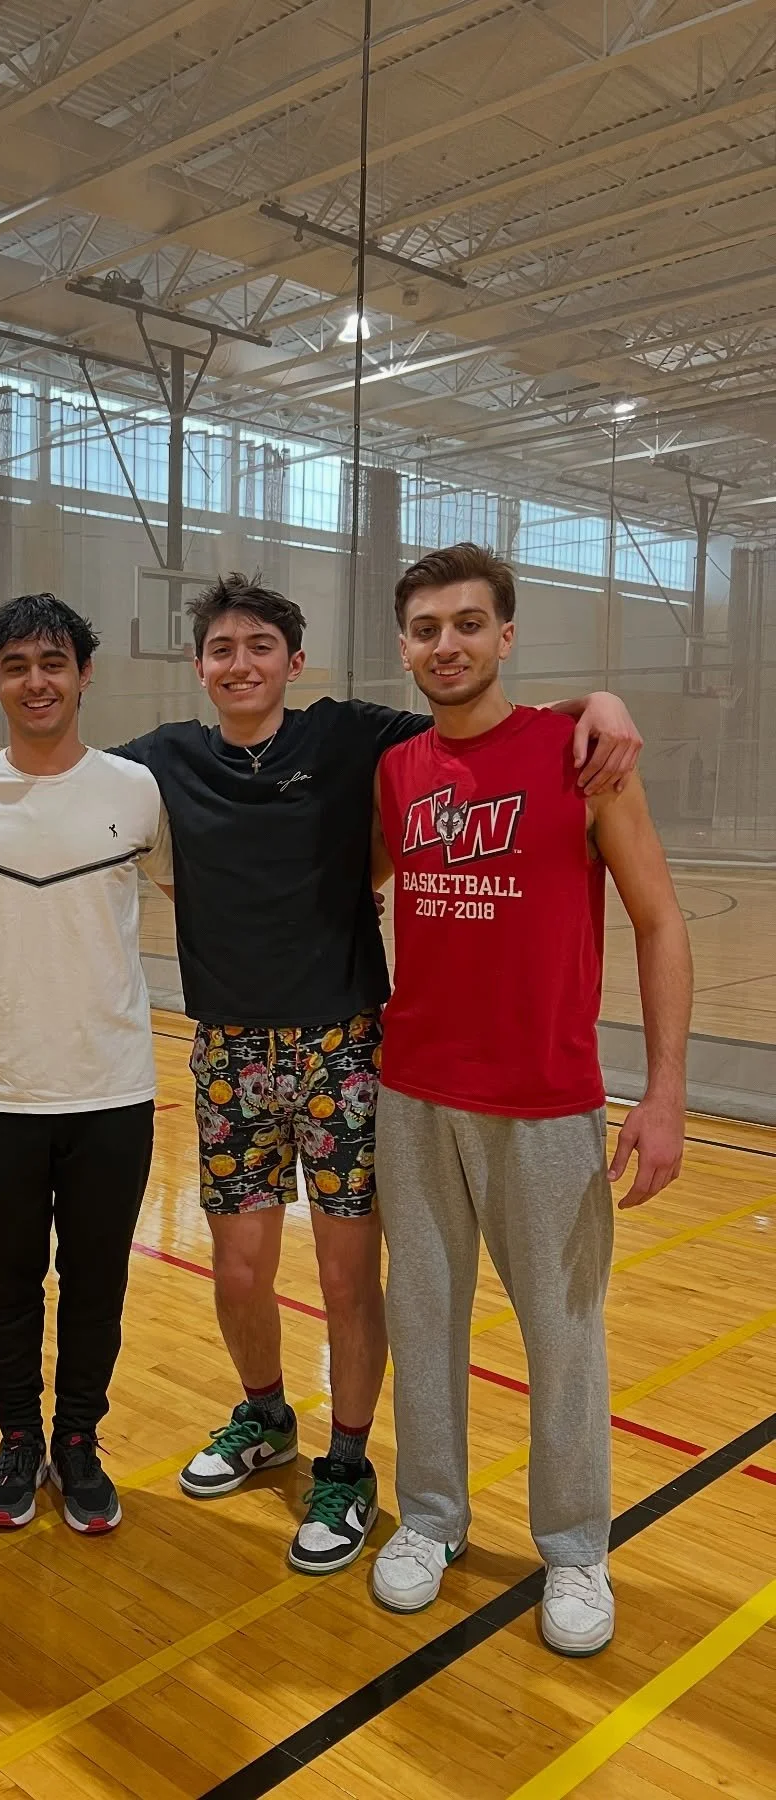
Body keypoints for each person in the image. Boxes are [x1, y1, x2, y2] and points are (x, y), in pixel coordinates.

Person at [0, 573, 641, 1575]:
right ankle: (264, 1416)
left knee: (348, 1279)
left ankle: (347, 1462)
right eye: (222, 649)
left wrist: (594, 705)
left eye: (262, 646)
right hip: (227, 1052)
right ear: (199, 666)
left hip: (344, 1047)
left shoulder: (352, 736)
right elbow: (50, 766)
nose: (241, 664)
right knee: (241, 1272)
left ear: (294, 663)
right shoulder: (157, 766)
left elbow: (477, 711)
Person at [368, 542, 690, 1655]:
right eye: (424, 629)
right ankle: (429, 1519)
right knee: (424, 1320)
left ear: (506, 636)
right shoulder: (398, 769)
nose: (445, 645)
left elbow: (659, 920)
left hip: (550, 1105)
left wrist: (664, 1093)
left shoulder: (582, 752)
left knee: (564, 1338)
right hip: (411, 1095)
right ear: (403, 645)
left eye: (467, 625)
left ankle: (575, 1547)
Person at [0, 594, 171, 1535]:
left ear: (85, 673)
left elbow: (215, 887)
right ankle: (18, 1436)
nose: (37, 680)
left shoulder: (137, 790)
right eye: (16, 664)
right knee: (6, 1281)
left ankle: (78, 1441)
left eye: (53, 661)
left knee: (98, 1282)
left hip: (114, 1087)